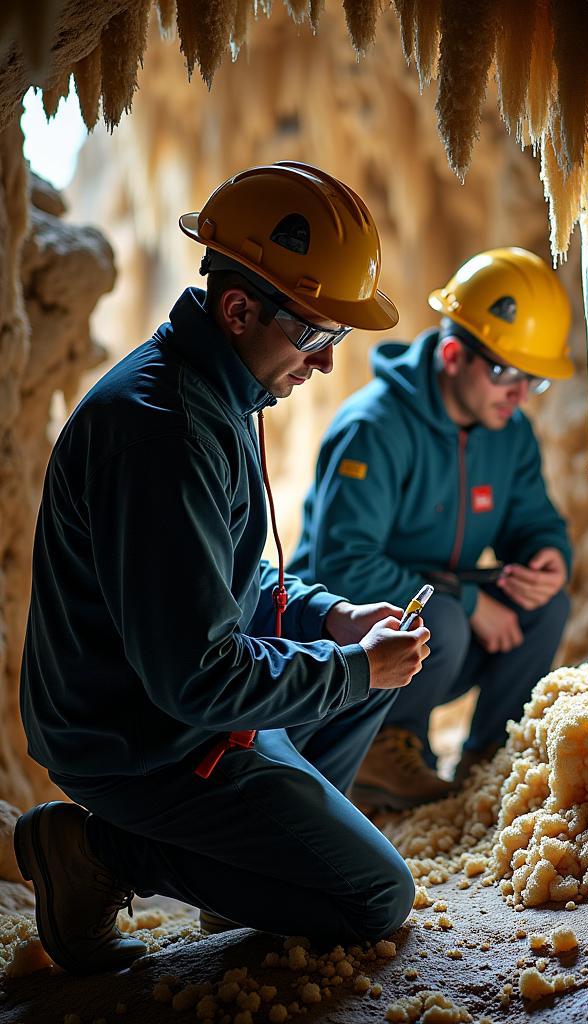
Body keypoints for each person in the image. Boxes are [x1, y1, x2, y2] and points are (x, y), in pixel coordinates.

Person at [13, 162, 431, 975]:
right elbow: (198, 678)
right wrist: (351, 668)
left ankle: (248, 868)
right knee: (375, 901)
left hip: (173, 701)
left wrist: (332, 620)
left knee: (357, 684)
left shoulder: (219, 389)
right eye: (315, 333)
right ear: (239, 309)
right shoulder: (165, 434)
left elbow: (228, 579)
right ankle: (103, 853)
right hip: (138, 738)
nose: (326, 363)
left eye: (336, 338)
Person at [288, 247, 574, 810]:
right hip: (345, 637)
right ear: (451, 354)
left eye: (531, 380)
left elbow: (533, 520)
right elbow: (340, 563)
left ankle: (487, 756)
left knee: (546, 606)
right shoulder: (375, 427)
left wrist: (548, 554)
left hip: (441, 618)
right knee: (440, 619)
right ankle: (379, 748)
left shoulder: (508, 432)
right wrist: (469, 601)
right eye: (503, 372)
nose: (517, 394)